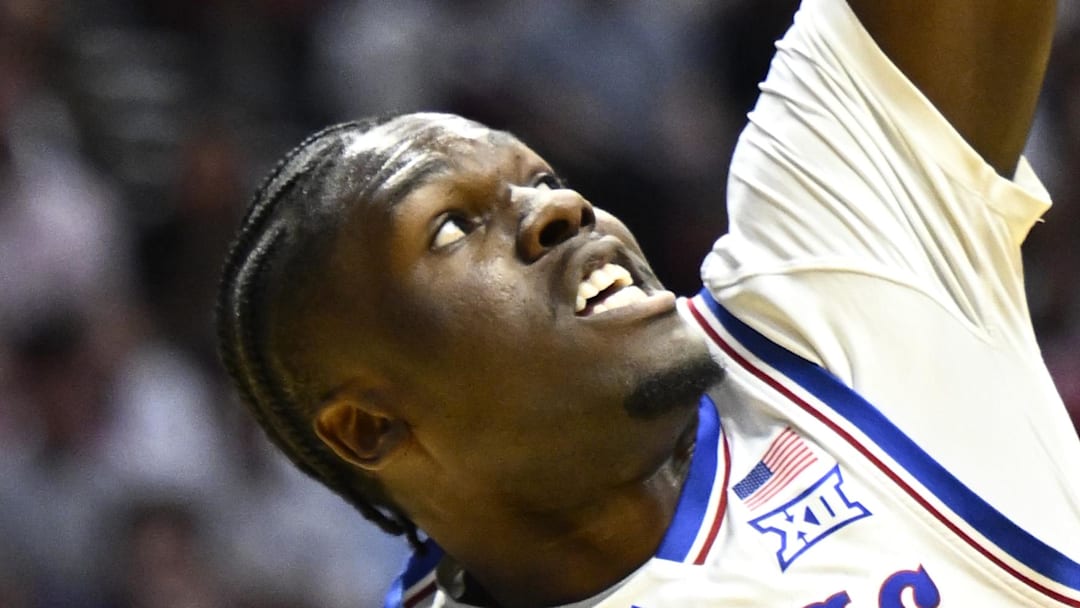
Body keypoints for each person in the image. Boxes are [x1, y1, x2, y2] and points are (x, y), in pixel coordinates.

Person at [216, 0, 1080, 605]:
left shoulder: (830, 286)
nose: (560, 210)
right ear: (368, 426)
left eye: (541, 179)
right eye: (451, 229)